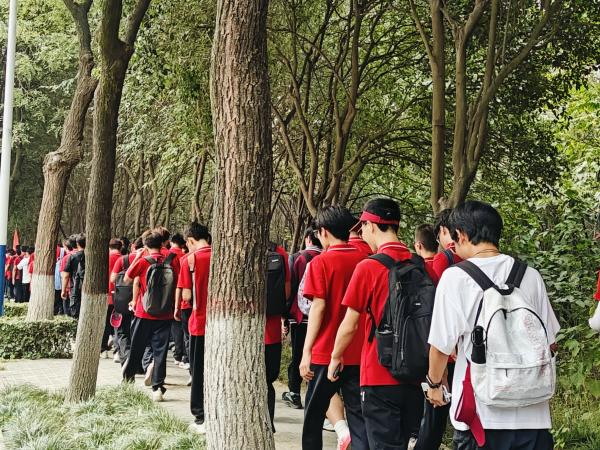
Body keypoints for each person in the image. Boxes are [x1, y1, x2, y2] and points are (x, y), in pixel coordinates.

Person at [425, 201, 560, 450]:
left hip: (480, 417)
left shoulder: (455, 277)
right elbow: (550, 342)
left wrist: (434, 385)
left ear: (461, 235)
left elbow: (440, 346)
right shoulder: (530, 275)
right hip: (533, 415)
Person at [328, 198, 423, 449]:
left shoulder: (368, 267)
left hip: (378, 374)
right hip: (414, 374)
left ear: (370, 225)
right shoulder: (419, 265)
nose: (362, 233)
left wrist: (335, 357)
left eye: (363, 227)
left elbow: (350, 324)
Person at [299, 205, 368, 450]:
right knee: (359, 418)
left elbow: (318, 308)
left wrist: (306, 351)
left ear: (324, 232)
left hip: (325, 351)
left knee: (314, 415)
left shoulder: (321, 262)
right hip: (358, 351)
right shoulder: (365, 260)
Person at [122, 230, 180, 402]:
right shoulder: (172, 260)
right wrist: (175, 307)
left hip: (143, 312)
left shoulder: (143, 261)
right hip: (165, 313)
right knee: (160, 352)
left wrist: (138, 257)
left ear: (146, 245)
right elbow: (177, 283)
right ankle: (158, 388)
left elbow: (127, 279)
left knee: (136, 348)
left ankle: (128, 381)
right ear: (162, 244)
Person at [282, 227, 322, 410]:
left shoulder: (298, 257)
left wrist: (285, 316)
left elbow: (290, 287)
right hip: (321, 317)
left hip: (300, 317)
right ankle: (315, 393)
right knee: (317, 356)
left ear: (307, 238)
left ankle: (295, 393)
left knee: (298, 354)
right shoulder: (325, 258)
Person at [177, 221, 211, 433]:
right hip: (221, 323)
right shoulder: (221, 256)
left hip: (199, 323)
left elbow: (187, 295)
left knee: (198, 371)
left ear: (190, 240)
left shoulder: (189, 260)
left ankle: (200, 416)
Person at [111, 236, 143, 365]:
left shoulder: (123, 259)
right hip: (142, 300)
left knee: (122, 331)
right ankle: (138, 362)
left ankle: (126, 357)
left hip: (123, 300)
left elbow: (113, 279)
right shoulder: (148, 259)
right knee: (137, 331)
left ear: (133, 246)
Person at [101, 239, 123, 359]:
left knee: (105, 323)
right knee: (118, 323)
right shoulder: (124, 259)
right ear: (121, 247)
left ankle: (103, 349)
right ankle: (117, 351)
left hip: (106, 295)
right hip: (121, 296)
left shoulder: (104, 259)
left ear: (109, 247)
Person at [170, 232, 189, 369]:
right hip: (184, 295)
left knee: (175, 326)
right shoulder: (185, 257)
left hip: (170, 295)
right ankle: (184, 355)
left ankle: (177, 354)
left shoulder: (167, 255)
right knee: (185, 329)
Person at [430, 209, 462, 284]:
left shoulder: (442, 258)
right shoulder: (471, 249)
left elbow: (438, 288)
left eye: (438, 238)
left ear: (442, 229)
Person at [61, 234, 86, 318]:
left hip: (75, 287)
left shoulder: (72, 257)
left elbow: (65, 276)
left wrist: (63, 290)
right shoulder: (91, 256)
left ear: (77, 244)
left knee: (75, 312)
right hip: (88, 288)